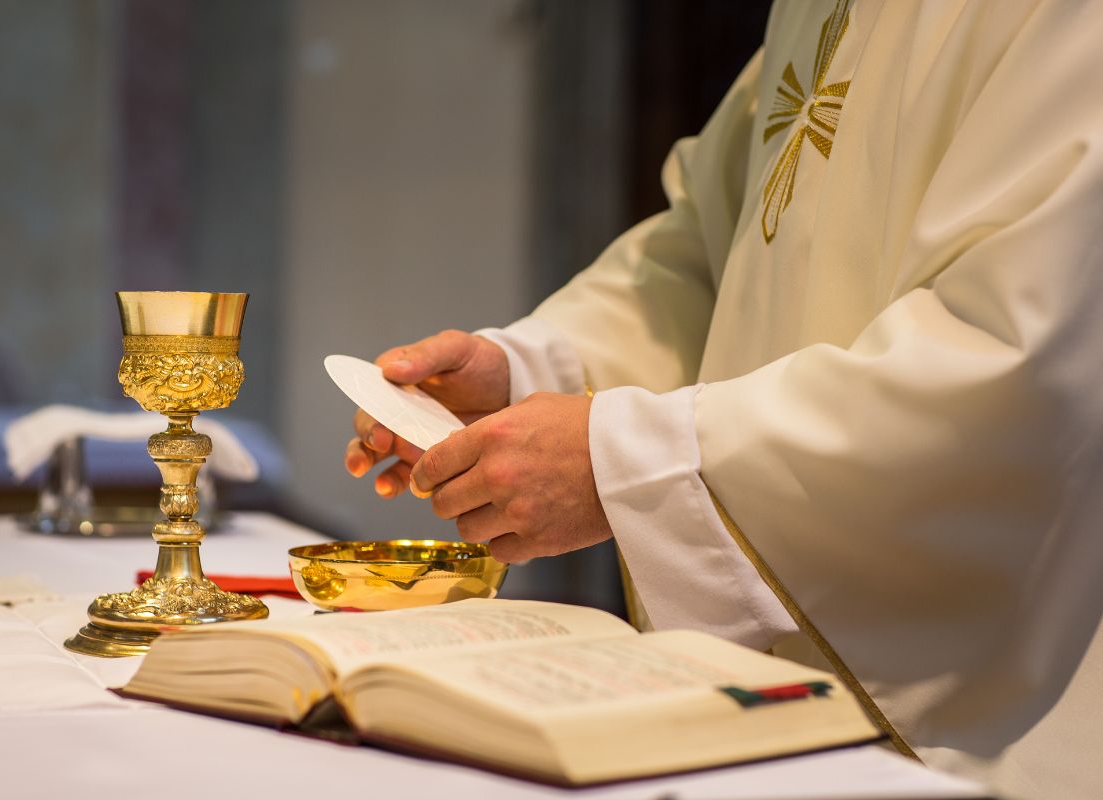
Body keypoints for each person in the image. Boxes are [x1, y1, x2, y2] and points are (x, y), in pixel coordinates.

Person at [344, 1, 1103, 796]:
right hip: (781, 713)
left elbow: (1018, 362)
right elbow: (717, 255)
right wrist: (530, 374)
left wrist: (619, 457)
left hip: (993, 705)